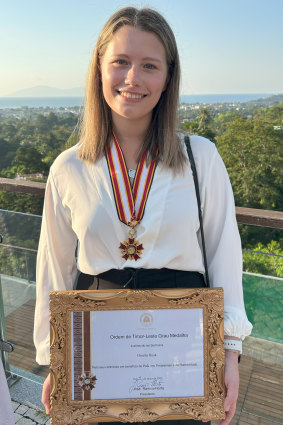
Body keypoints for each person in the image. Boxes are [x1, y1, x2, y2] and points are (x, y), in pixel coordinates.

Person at [34, 6, 252, 425]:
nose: (133, 78)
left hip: (185, 343)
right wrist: (54, 358)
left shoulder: (200, 157)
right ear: (99, 69)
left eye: (149, 65)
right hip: (94, 340)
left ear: (168, 77)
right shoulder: (68, 168)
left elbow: (226, 255)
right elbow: (54, 270)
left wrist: (230, 353)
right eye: (120, 62)